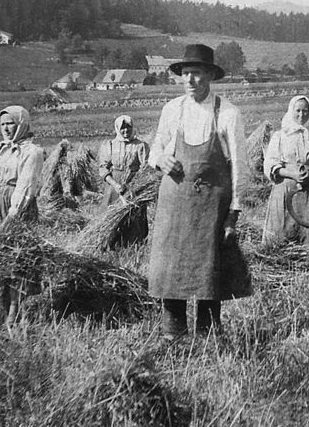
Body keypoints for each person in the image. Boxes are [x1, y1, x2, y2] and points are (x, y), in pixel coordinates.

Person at [148, 44, 249, 339]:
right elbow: (155, 147)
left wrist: (234, 213)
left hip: (210, 207)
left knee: (209, 269)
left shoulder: (228, 113)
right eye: (186, 74)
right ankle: (173, 333)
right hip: (174, 203)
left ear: (210, 76)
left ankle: (207, 336)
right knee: (170, 268)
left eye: (198, 74)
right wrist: (160, 160)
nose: (191, 80)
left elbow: (239, 167)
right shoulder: (172, 110)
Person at [0, 105, 45, 324]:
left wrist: (11, 217)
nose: (5, 128)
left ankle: (15, 310)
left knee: (18, 260)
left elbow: (26, 187)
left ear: (21, 123)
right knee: (0, 258)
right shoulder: (0, 148)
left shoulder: (32, 152)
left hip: (17, 209)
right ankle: (3, 304)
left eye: (10, 123)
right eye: (2, 124)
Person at [262, 95, 309, 251]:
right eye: (298, 111)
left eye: (305, 111)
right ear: (291, 111)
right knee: (282, 235)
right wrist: (292, 174)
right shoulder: (280, 136)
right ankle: (281, 257)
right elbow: (270, 163)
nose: (301, 115)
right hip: (286, 188)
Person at [98, 115, 150, 246]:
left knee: (133, 218)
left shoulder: (140, 146)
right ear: (117, 129)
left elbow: (146, 168)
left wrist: (135, 186)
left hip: (134, 185)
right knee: (112, 219)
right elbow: (103, 169)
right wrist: (115, 185)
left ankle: (133, 247)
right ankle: (110, 247)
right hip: (114, 186)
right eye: (122, 128)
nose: (125, 131)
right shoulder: (110, 145)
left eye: (128, 127)